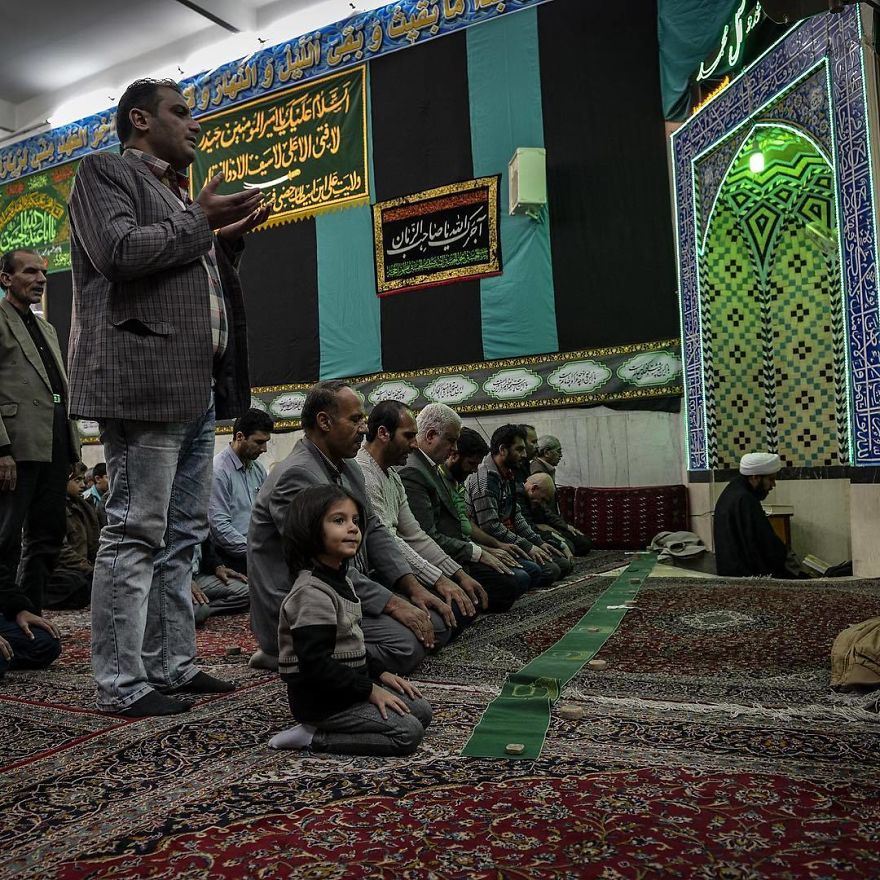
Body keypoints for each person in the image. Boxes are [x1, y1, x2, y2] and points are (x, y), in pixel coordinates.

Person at [66, 78, 269, 716]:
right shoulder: (104, 172)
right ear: (140, 120)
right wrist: (199, 222)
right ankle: (122, 683)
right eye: (181, 113)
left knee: (183, 536)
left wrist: (225, 235)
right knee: (134, 531)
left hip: (194, 387)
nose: (196, 125)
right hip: (144, 381)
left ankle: (172, 667)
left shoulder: (179, 198)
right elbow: (119, 253)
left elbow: (186, 277)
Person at [248, 381, 452, 676]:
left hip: (342, 588)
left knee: (438, 623)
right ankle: (288, 652)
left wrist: (413, 588)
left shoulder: (348, 466)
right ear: (324, 421)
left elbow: (375, 531)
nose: (363, 428)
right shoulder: (297, 474)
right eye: (355, 419)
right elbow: (321, 564)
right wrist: (393, 604)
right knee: (407, 646)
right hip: (305, 607)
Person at [269, 485, 431, 755]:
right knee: (408, 733)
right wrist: (369, 690)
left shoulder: (340, 580)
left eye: (355, 521)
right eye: (338, 520)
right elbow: (316, 664)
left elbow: (350, 645)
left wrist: (381, 673)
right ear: (310, 528)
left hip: (345, 690)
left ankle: (342, 721)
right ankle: (314, 736)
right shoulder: (311, 592)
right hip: (323, 702)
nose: (353, 528)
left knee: (421, 711)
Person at [355, 401, 487, 630]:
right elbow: (387, 540)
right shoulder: (364, 473)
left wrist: (453, 575)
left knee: (460, 606)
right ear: (383, 434)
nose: (415, 444)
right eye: (409, 436)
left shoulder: (392, 476)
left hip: (399, 569)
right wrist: (436, 580)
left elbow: (415, 534)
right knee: (443, 622)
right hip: (378, 574)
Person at [0, 249, 80, 619]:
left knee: (48, 534)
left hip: (54, 442)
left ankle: (31, 614)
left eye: (43, 272)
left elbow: (57, 389)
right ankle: (7, 618)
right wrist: (1, 449)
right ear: (6, 279)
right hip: (16, 447)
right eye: (30, 272)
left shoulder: (46, 326)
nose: (41, 279)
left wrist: (72, 447)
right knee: (6, 537)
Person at [400, 409, 531, 612]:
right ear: (430, 436)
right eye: (451, 441)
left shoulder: (430, 467)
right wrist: (476, 554)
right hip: (440, 557)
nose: (453, 449)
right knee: (512, 583)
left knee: (518, 577)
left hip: (455, 551)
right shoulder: (413, 471)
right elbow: (426, 537)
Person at [465, 425, 564, 586]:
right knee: (544, 571)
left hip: (507, 539)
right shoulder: (485, 479)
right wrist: (527, 546)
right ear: (503, 449)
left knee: (559, 563)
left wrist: (537, 542)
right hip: (488, 543)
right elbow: (490, 526)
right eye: (519, 449)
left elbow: (515, 515)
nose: (524, 455)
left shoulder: (508, 474)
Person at [713, 452, 801, 579]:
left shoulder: (733, 490)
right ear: (755, 478)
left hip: (729, 573)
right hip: (745, 577)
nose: (773, 485)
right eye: (770, 479)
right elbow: (765, 543)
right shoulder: (745, 499)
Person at [209, 408, 273, 574]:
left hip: (257, 550)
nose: (264, 449)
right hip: (233, 557)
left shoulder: (258, 469)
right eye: (259, 442)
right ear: (239, 437)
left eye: (266, 442)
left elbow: (267, 513)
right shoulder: (219, 472)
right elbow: (219, 528)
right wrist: (256, 552)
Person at [44, 463, 99, 610]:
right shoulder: (52, 508)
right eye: (77, 480)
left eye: (83, 480)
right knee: (77, 583)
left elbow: (94, 543)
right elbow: (61, 551)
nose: (82, 485)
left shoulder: (84, 506)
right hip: (59, 570)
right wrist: (88, 568)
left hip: (80, 568)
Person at [530, 435, 591, 555]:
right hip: (543, 524)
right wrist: (564, 526)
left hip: (551, 521)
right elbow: (542, 507)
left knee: (583, 541)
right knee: (581, 544)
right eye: (558, 451)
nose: (561, 455)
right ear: (547, 452)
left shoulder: (544, 467)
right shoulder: (538, 471)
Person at [523, 472, 592, 557]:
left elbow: (548, 513)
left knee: (583, 542)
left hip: (545, 526)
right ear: (534, 489)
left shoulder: (537, 497)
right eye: (542, 499)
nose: (542, 502)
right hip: (535, 530)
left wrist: (564, 526)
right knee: (567, 549)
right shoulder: (519, 495)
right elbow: (525, 526)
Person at [190, 538, 249, 628]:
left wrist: (218, 566)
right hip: (173, 578)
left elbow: (207, 546)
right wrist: (183, 579)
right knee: (200, 613)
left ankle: (201, 603)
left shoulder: (199, 524)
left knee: (247, 591)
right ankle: (198, 606)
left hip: (198, 575)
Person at [84, 462, 109, 527]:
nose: (111, 481)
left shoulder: (112, 495)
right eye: (108, 477)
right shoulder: (86, 497)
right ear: (98, 479)